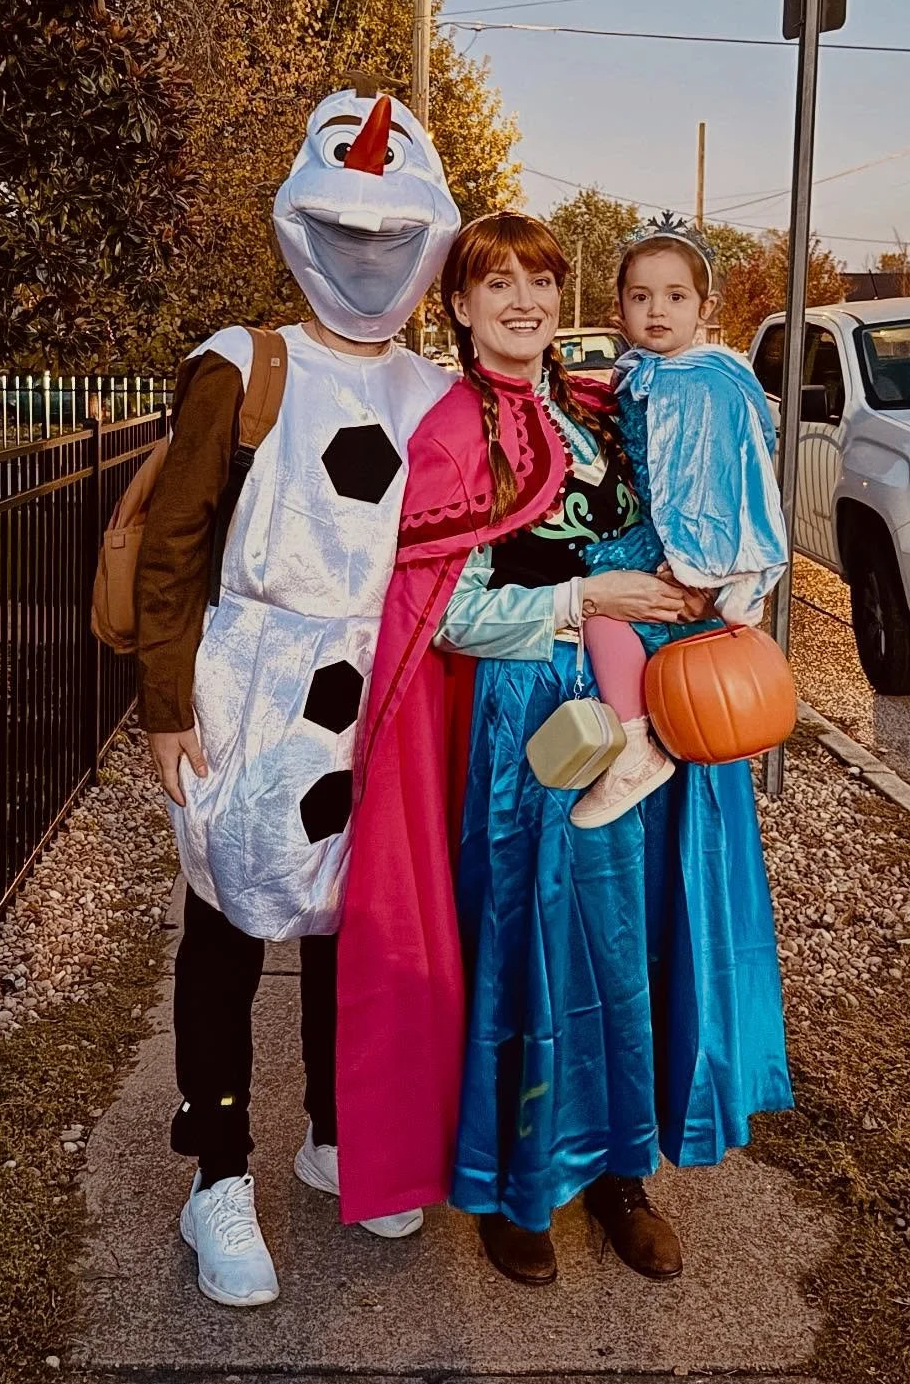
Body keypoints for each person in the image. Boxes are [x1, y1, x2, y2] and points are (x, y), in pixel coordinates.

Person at [335, 212, 793, 1288]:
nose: (524, 302)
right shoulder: (454, 431)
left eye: (539, 281)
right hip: (543, 719)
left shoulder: (602, 406)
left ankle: (623, 1170)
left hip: (653, 706)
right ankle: (520, 1178)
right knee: (542, 947)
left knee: (635, 945)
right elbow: (447, 611)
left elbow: (702, 505)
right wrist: (589, 594)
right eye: (497, 285)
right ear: (459, 305)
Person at [134, 86, 460, 1308]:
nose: (367, 257)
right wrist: (169, 704)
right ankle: (215, 1167)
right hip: (251, 680)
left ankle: (339, 1133)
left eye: (391, 237)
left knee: (349, 921)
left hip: (384, 688)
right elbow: (174, 544)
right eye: (349, 231)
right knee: (227, 921)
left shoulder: (434, 390)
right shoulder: (243, 364)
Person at [570, 216, 790, 827]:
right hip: (652, 521)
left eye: (675, 297)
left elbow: (705, 477)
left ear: (704, 306)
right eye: (641, 297)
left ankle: (635, 744)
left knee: (604, 598)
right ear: (619, 309)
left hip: (677, 535)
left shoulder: (697, 383)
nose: (657, 310)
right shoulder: (643, 372)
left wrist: (697, 561)